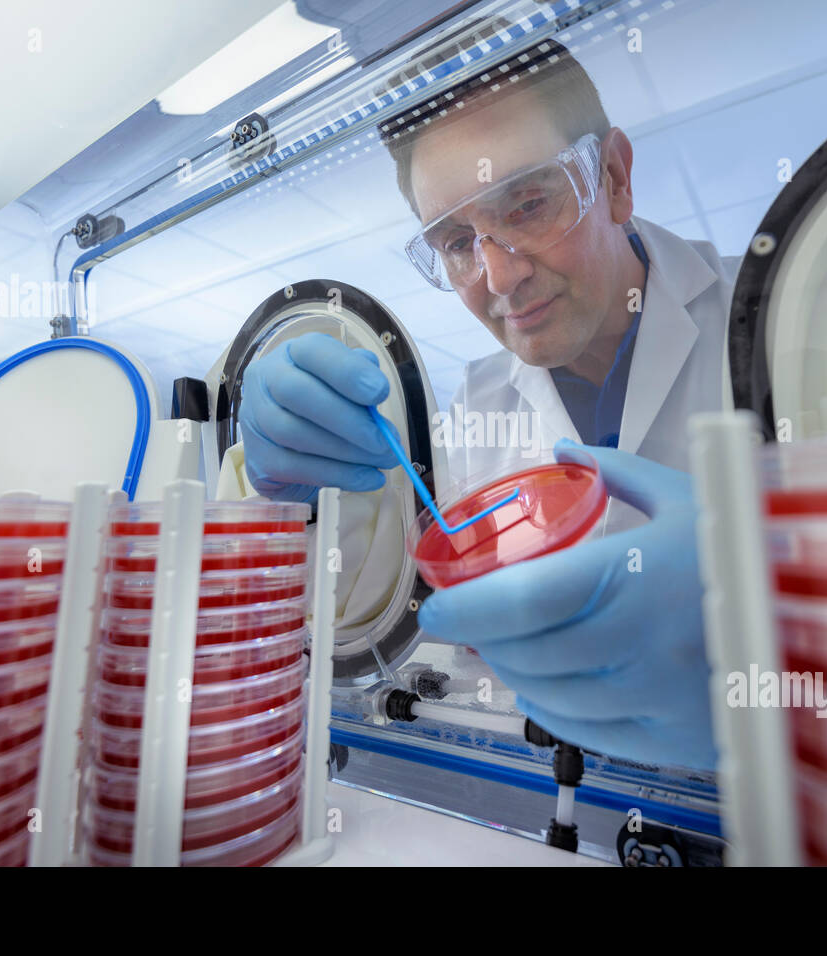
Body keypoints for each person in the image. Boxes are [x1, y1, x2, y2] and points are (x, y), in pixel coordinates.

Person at [239, 41, 738, 770]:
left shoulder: (776, 317)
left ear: (615, 178)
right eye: (455, 242)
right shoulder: (472, 406)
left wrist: (765, 627)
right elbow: (367, 598)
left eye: (529, 204)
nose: (498, 276)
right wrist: (288, 497)